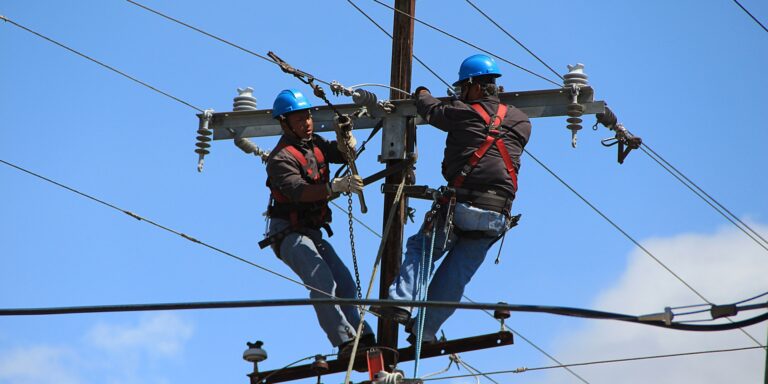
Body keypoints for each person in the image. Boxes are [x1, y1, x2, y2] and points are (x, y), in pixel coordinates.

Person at [377, 54, 532, 344]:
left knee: (423, 249)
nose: (460, 93)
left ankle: (400, 302)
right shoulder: (522, 121)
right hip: (497, 214)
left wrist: (421, 92)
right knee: (457, 273)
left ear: (474, 86)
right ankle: (425, 330)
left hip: (461, 205)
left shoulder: (462, 112)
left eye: (463, 88)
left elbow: (432, 110)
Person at [264, 89, 375, 357]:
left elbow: (342, 154)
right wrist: (335, 186)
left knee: (345, 283)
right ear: (285, 122)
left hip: (311, 232)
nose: (307, 122)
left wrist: (346, 137)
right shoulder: (280, 159)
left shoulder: (315, 145)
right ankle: (345, 341)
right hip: (288, 233)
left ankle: (363, 335)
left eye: (308, 116)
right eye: (300, 119)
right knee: (322, 280)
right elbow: (299, 191)